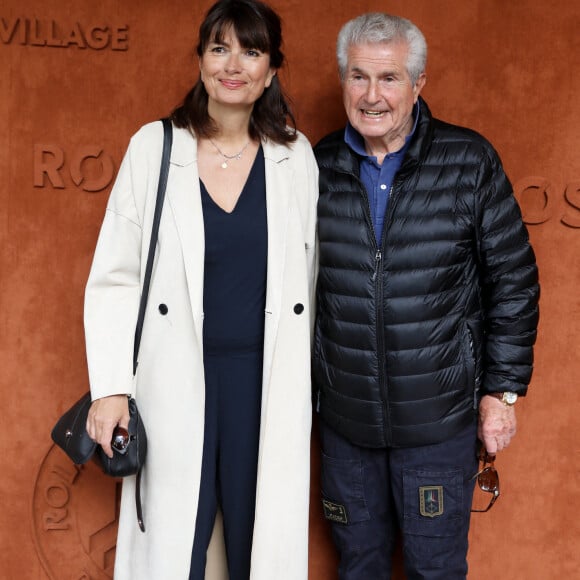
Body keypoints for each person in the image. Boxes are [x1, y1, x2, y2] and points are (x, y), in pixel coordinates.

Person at [84, 1, 318, 578]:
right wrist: (110, 388)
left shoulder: (295, 156)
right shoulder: (155, 147)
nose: (233, 64)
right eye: (219, 47)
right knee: (175, 547)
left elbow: (308, 283)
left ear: (271, 69)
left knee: (256, 547)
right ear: (200, 60)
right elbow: (115, 276)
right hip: (172, 376)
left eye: (251, 50)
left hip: (264, 382)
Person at [313, 12, 539, 580]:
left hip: (440, 425)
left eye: (388, 78)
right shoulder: (311, 167)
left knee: (435, 570)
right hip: (346, 423)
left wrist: (502, 394)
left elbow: (513, 282)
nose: (371, 96)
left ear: (418, 84)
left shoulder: (469, 162)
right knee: (357, 567)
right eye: (358, 77)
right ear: (343, 81)